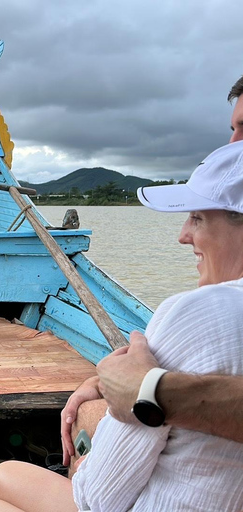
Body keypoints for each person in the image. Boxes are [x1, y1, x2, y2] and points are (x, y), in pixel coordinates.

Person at [0, 141, 243, 511]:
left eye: (198, 218)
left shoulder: (198, 311)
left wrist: (84, 452)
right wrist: (101, 388)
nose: (183, 235)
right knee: (4, 474)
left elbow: (99, 500)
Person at [60, 74, 243, 472]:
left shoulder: (198, 309)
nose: (233, 148)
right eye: (234, 130)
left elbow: (104, 496)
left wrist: (149, 392)